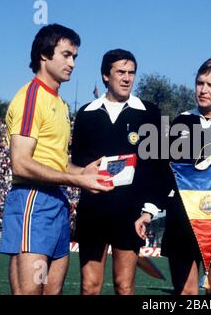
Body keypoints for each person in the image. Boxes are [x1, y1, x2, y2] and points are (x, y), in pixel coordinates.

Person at [0, 24, 113, 295]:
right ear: (44, 56)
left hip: (57, 201)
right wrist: (76, 178)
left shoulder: (60, 104)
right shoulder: (31, 97)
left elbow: (57, 161)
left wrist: (83, 172)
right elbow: (22, 163)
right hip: (33, 200)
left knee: (52, 291)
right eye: (66, 55)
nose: (72, 63)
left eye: (75, 57)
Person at [136, 57, 211, 295]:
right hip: (181, 218)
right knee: (185, 293)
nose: (202, 90)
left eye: (210, 85)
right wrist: (149, 210)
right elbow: (165, 172)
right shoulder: (183, 121)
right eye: (199, 83)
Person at [71, 49, 165, 295]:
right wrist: (84, 174)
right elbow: (74, 165)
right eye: (120, 72)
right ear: (105, 76)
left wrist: (148, 212)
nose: (127, 78)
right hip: (93, 211)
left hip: (129, 214)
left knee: (124, 286)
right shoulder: (86, 114)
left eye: (131, 73)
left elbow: (159, 167)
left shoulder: (150, 112)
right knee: (90, 286)